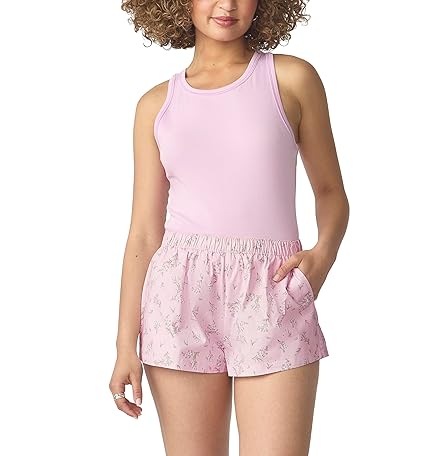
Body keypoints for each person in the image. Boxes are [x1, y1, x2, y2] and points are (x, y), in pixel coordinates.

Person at [110, 0, 349, 454]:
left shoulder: (291, 79)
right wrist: (125, 344)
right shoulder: (156, 105)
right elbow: (143, 232)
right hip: (178, 295)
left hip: (272, 287)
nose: (228, 4)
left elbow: (330, 191)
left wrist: (322, 256)